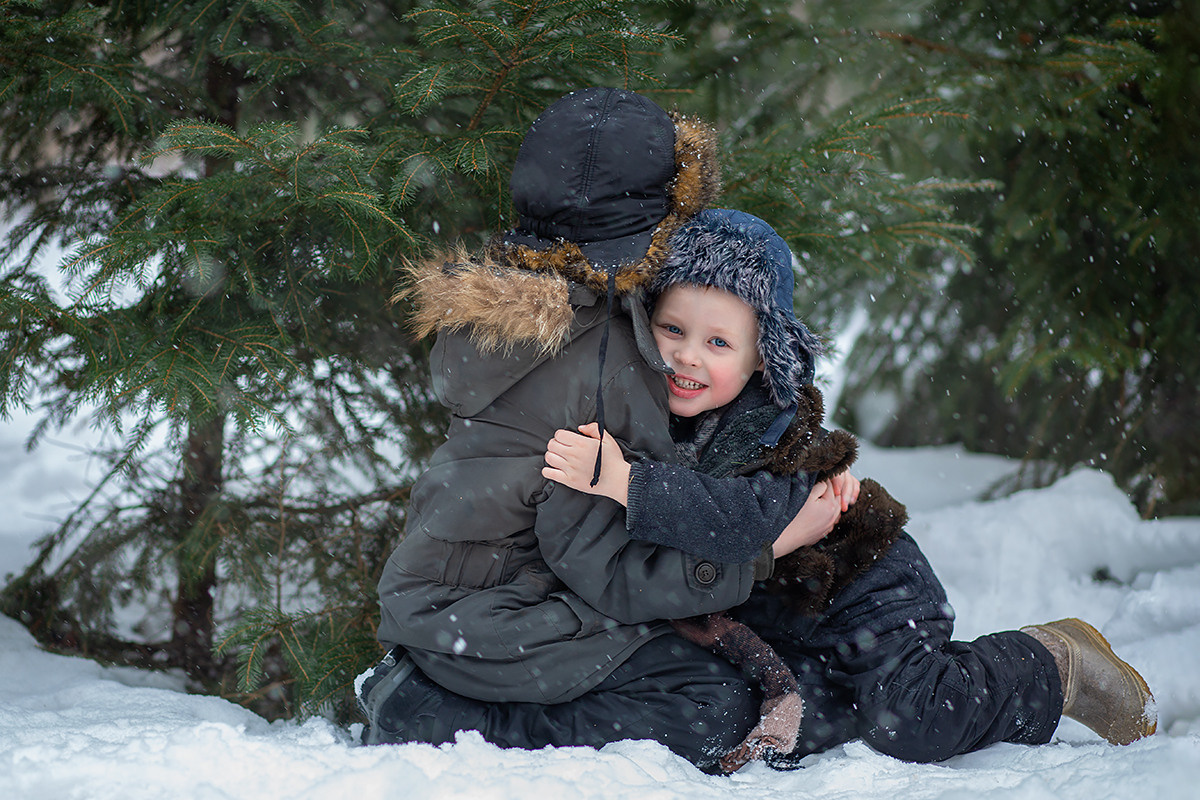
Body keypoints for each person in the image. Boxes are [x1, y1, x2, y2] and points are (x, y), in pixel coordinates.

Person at [543, 207, 1158, 767]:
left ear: (762, 358)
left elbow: (739, 523)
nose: (687, 357)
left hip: (868, 592)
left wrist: (625, 482)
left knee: (915, 720)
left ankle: (1052, 663)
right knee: (807, 718)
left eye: (718, 343)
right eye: (672, 329)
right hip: (795, 622)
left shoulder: (775, 434)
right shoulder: (660, 413)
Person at [357, 88, 811, 771]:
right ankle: (430, 715)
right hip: (506, 614)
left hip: (451, 603)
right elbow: (608, 570)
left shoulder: (527, 301)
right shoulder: (600, 357)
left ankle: (432, 688)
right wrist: (762, 550)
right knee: (712, 707)